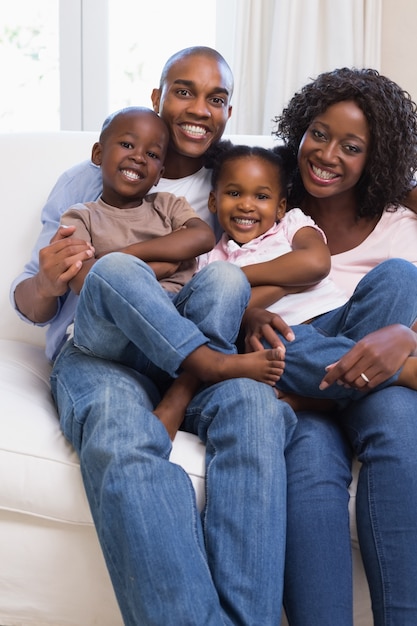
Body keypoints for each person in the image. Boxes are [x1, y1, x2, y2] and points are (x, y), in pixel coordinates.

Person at [10, 46, 297, 625]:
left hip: (198, 346)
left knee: (255, 410)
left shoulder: (236, 180)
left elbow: (319, 212)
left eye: (215, 98)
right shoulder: (88, 183)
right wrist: (49, 277)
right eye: (183, 91)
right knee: (120, 430)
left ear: (228, 112)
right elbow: (34, 300)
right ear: (157, 98)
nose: (198, 108)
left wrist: (242, 307)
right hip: (100, 353)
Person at [242, 68, 417, 625]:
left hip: (316, 392)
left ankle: (355, 393)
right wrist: (246, 309)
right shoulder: (264, 202)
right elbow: (215, 280)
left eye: (352, 146)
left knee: (397, 280)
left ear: (376, 157)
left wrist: (406, 334)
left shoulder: (403, 223)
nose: (327, 154)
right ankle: (390, 383)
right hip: (296, 376)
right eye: (318, 133)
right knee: (331, 438)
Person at [63, 105, 284, 437]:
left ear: (160, 169)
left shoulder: (167, 205)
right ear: (98, 153)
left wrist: (124, 258)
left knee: (227, 275)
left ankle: (189, 376)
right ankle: (211, 363)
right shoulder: (81, 217)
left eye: (152, 154)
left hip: (171, 330)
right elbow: (86, 280)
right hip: (112, 337)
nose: (139, 157)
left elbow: (201, 237)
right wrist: (144, 266)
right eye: (126, 145)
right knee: (113, 270)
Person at [203, 142, 417, 405]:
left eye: (261, 197)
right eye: (234, 194)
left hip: (340, 317)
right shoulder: (210, 261)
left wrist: (237, 279)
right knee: (268, 348)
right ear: (213, 201)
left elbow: (315, 264)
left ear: (280, 207)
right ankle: (399, 372)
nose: (247, 206)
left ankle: (328, 397)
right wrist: (288, 283)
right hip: (288, 335)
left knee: (401, 274)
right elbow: (220, 311)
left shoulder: (291, 224)